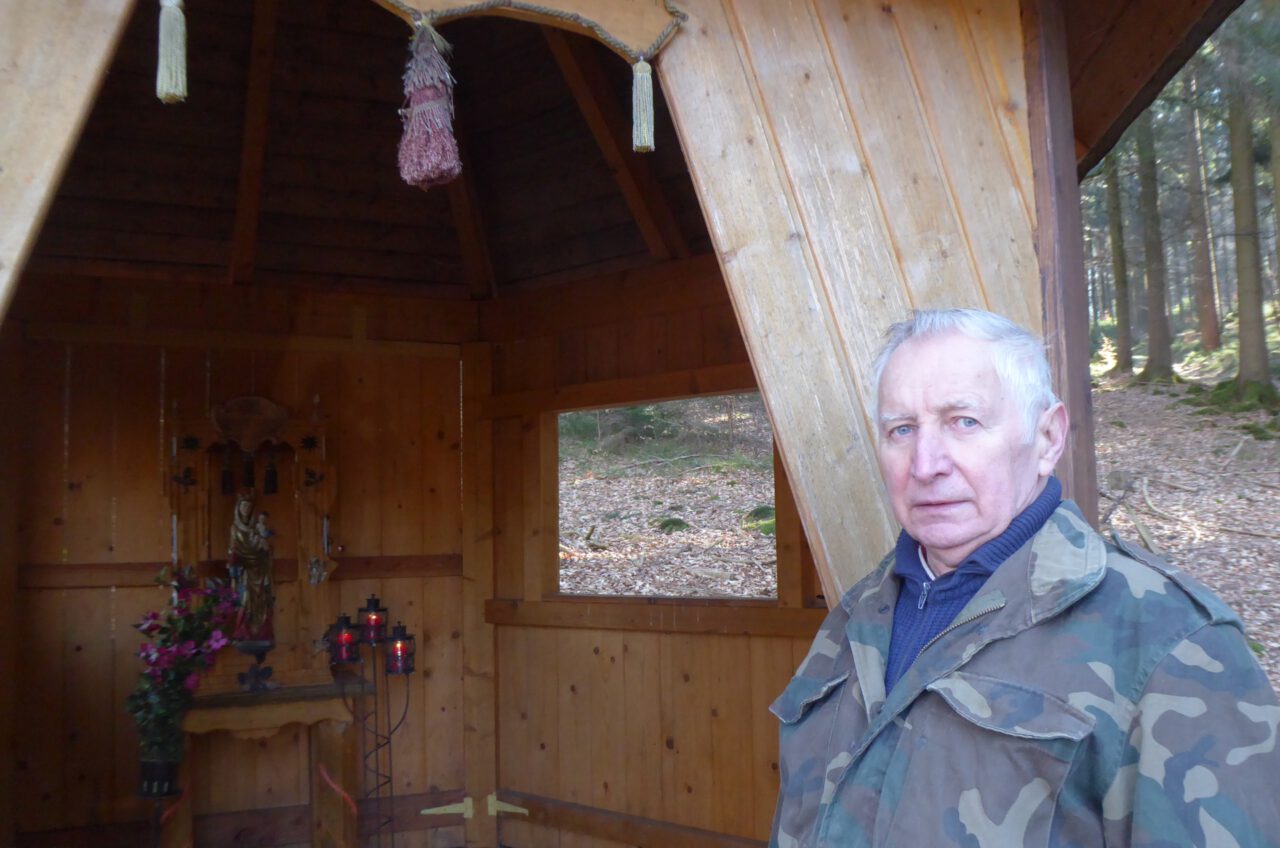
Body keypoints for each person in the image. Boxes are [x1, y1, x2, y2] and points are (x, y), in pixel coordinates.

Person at [770, 308, 1280, 847]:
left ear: (1047, 438)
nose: (925, 464)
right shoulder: (855, 618)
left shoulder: (1167, 641)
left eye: (963, 421)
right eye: (901, 429)